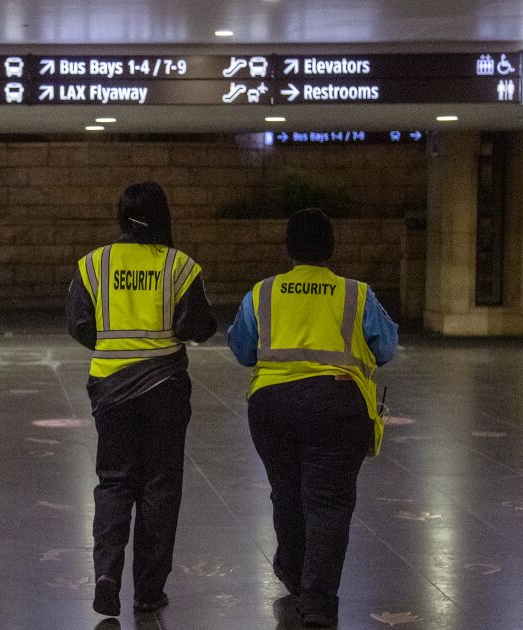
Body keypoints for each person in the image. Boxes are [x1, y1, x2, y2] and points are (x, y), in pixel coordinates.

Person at [226, 208, 398, 628]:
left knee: (286, 491)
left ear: (288, 248)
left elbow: (242, 348)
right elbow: (386, 347)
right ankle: (317, 601)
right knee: (329, 502)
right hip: (338, 405)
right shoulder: (356, 294)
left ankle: (291, 566)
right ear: (331, 249)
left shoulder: (263, 293)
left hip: (271, 407)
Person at [66, 181, 216, 617]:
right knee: (160, 488)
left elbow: (79, 323)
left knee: (114, 482)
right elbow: (199, 326)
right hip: (165, 386)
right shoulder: (179, 266)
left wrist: (114, 345)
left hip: (109, 387)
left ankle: (106, 575)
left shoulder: (93, 264)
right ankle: (149, 591)